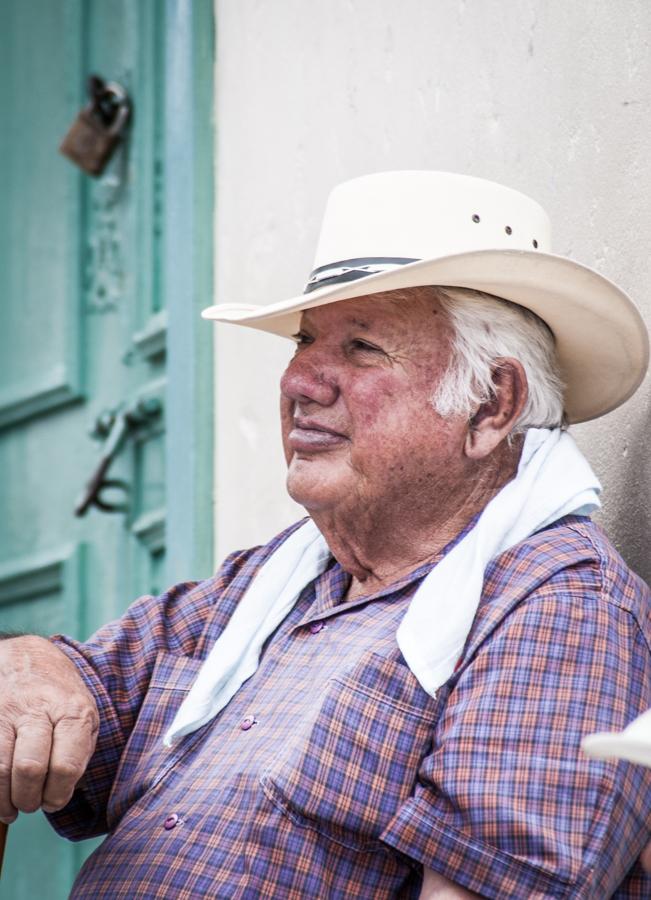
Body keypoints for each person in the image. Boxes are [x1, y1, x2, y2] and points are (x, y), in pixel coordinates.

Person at [1, 171, 650, 898]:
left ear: (491, 406)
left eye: (363, 348)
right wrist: (25, 668)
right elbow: (80, 689)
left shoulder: (554, 606)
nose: (299, 379)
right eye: (305, 340)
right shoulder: (272, 581)